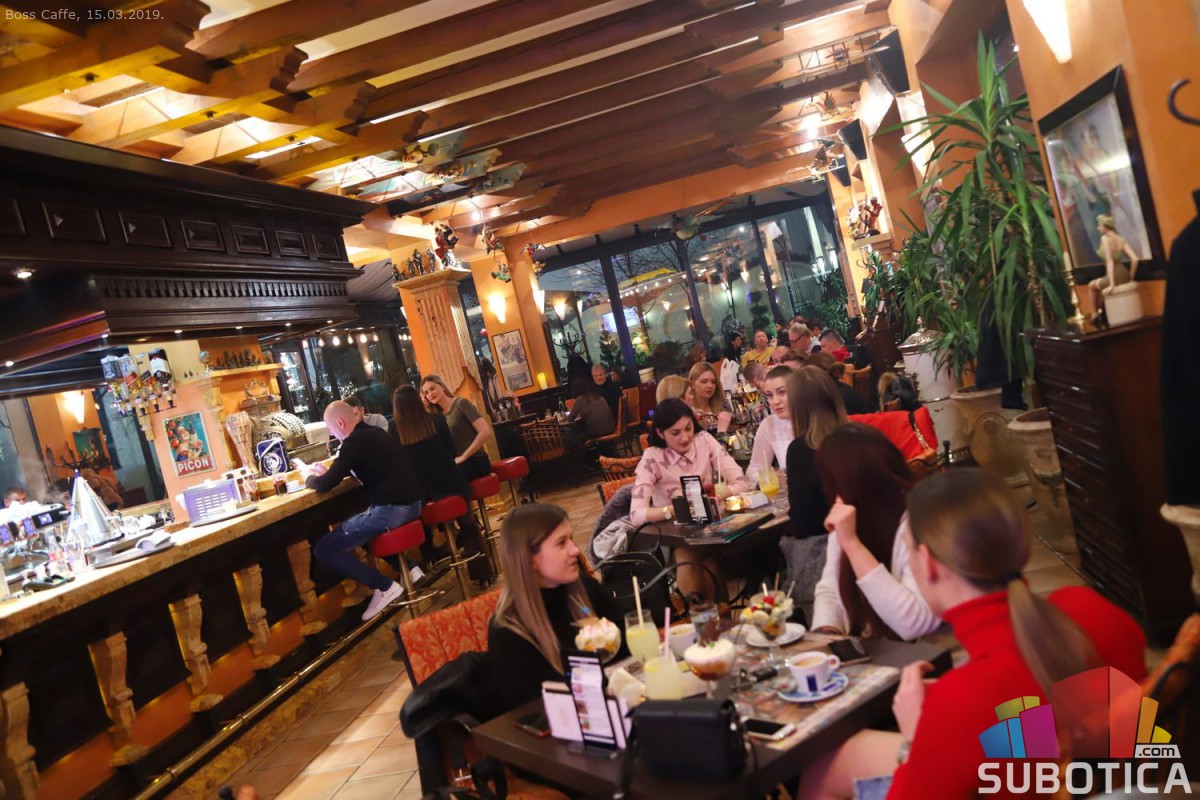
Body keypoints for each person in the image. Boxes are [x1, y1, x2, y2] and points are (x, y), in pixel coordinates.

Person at [797, 470, 1147, 800]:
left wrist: (917, 739)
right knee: (827, 765)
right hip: (1115, 778)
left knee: (820, 773)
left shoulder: (961, 703)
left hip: (1032, 772)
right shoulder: (1089, 608)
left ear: (927, 562)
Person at [810, 425, 939, 640]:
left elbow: (914, 624)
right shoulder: (851, 516)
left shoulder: (920, 520)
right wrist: (826, 634)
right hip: (877, 647)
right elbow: (830, 589)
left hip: (930, 650)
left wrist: (852, 545)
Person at [488, 504, 621, 713]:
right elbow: (533, 709)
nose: (575, 550)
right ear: (529, 558)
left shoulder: (584, 589)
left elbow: (625, 649)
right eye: (561, 543)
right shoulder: (508, 630)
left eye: (571, 539)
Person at [304, 401, 422, 621]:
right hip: (414, 505)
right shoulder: (375, 432)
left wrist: (309, 478)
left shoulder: (352, 443)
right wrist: (329, 472)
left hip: (392, 510)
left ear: (340, 423)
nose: (332, 434)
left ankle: (385, 587)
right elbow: (358, 467)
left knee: (324, 549)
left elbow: (325, 484)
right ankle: (411, 569)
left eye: (331, 429)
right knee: (364, 531)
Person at [630, 399, 750, 600]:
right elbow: (636, 514)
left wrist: (717, 495)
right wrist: (674, 509)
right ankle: (710, 614)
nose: (685, 438)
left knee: (705, 561)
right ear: (660, 433)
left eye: (688, 428)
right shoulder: (653, 457)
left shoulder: (704, 441)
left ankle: (704, 616)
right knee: (691, 556)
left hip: (717, 530)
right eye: (675, 433)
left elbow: (742, 483)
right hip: (676, 537)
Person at [392, 386, 493, 585]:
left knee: (420, 518)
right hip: (452, 484)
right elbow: (452, 451)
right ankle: (483, 575)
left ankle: (431, 559)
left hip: (423, 495)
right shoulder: (437, 420)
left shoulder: (395, 430)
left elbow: (400, 465)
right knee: (469, 527)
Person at [785, 367, 848, 538]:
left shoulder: (801, 450)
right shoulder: (861, 436)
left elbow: (803, 525)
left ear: (796, 407)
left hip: (833, 542)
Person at [421, 374, 493, 481]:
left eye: (432, 389)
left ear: (442, 386)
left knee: (444, 478)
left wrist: (464, 456)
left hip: (476, 460)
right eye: (426, 393)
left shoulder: (461, 404)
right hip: (456, 463)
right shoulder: (436, 417)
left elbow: (485, 431)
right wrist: (423, 408)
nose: (430, 394)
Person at [1088, 213, 1140, 323]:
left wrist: (1112, 284)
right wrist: (1131, 276)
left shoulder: (1105, 239)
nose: (1098, 228)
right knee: (1101, 291)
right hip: (1124, 273)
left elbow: (1110, 261)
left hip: (1114, 275)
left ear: (1105, 226)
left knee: (1091, 286)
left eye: (1099, 225)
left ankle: (1094, 313)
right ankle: (1103, 312)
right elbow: (1135, 259)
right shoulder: (1121, 239)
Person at [746, 365, 794, 485]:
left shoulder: (817, 418)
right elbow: (753, 471)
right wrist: (768, 478)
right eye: (770, 395)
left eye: (782, 392)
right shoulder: (769, 425)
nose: (775, 401)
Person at [687, 361, 732, 433]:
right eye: (704, 381)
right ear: (692, 384)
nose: (710, 386)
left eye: (713, 382)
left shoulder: (723, 405)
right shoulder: (687, 413)